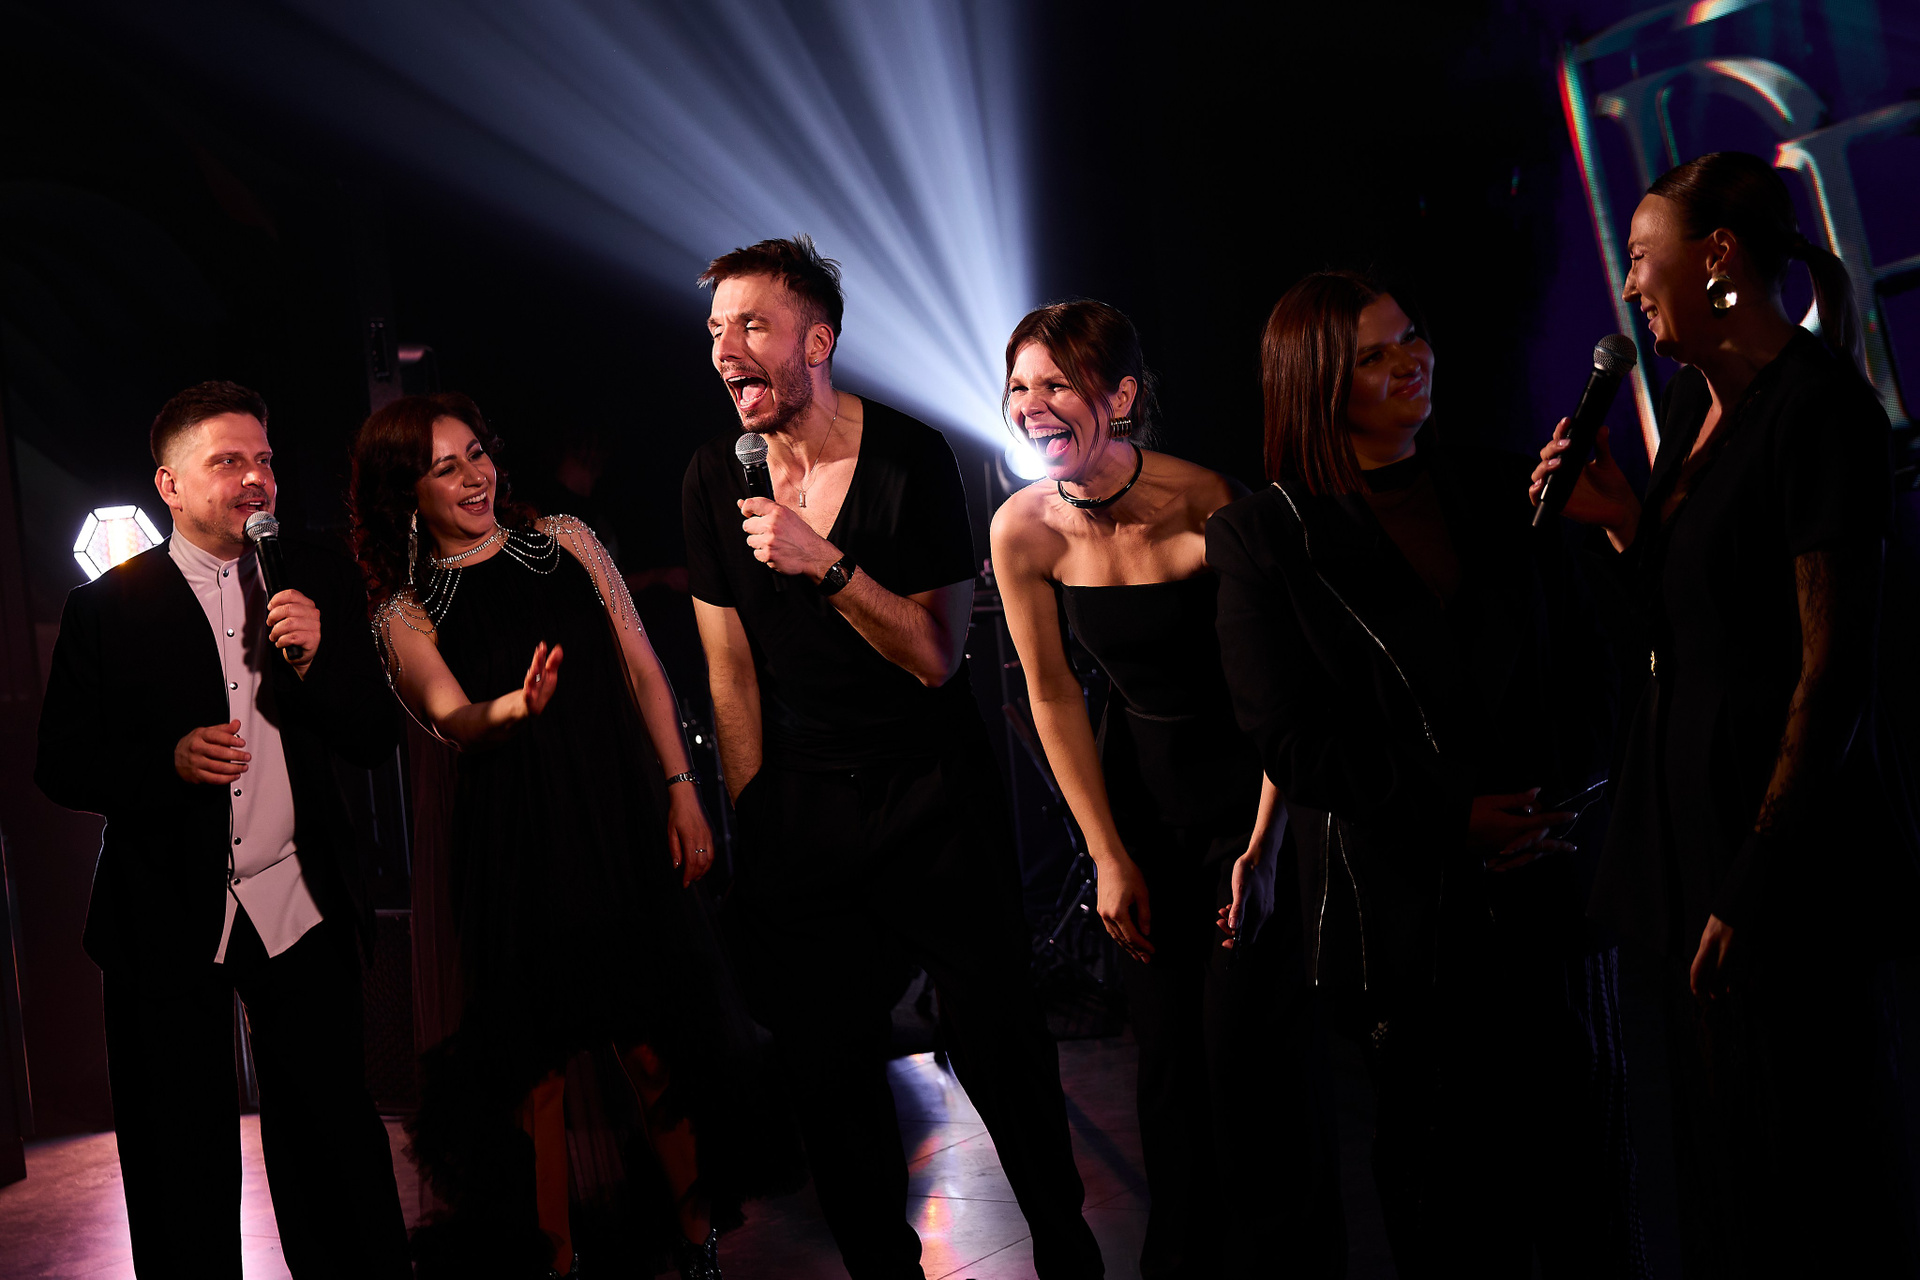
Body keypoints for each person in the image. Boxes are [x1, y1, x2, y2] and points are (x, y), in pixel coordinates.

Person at [682, 236, 1103, 1279]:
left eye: (752, 325)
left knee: (1000, 1045)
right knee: (827, 1074)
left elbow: (934, 654)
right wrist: (756, 815)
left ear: (816, 341)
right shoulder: (711, 477)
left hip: (932, 794)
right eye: (716, 330)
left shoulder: (914, 457)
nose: (726, 349)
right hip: (803, 808)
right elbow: (730, 676)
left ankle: (1068, 1252)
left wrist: (824, 563)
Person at [1209, 273, 1645, 1276]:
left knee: (1590, 1182)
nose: (1412, 361)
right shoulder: (1263, 535)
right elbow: (1289, 737)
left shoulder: (1506, 488)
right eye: (1375, 354)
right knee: (1448, 1202)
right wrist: (1457, 815)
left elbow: (1594, 665)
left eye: (1411, 336)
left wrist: (1552, 802)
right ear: (1317, 384)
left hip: (1550, 887)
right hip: (1405, 918)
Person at [1533, 151, 1920, 1276]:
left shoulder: (1819, 410)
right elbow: (1674, 633)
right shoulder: (1696, 409)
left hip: (1779, 853)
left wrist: (1757, 875)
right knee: (1715, 1162)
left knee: (1805, 1159)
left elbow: (1833, 670)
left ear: (1718, 258)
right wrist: (1618, 520)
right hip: (1685, 835)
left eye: (1641, 258)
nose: (1630, 287)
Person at [351, 392, 781, 1280]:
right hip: (514, 847)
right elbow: (452, 716)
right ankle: (554, 1264)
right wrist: (515, 706)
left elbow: (644, 668)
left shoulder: (568, 539)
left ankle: (698, 1242)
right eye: (446, 468)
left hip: (618, 819)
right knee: (532, 1076)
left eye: (477, 453)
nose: (474, 476)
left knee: (660, 1045)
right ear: (406, 492)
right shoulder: (403, 608)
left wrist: (682, 790)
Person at [989, 299, 1343, 1277]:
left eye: (1056, 384)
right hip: (1140, 805)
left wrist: (1264, 847)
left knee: (1248, 1058)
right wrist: (1106, 853)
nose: (1031, 404)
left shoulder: (1210, 500)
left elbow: (1282, 690)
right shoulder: (1022, 529)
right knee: (1169, 1062)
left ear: (1121, 396)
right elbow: (1052, 694)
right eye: (1018, 386)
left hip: (1251, 794)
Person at [34, 380, 411, 1277]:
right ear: (169, 485)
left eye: (264, 460)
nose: (256, 479)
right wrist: (164, 763)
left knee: (334, 1144)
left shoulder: (318, 576)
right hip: (163, 917)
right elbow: (61, 766)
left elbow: (373, 738)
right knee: (178, 1162)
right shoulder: (104, 609)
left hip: (302, 902)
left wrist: (320, 660)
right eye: (229, 461)